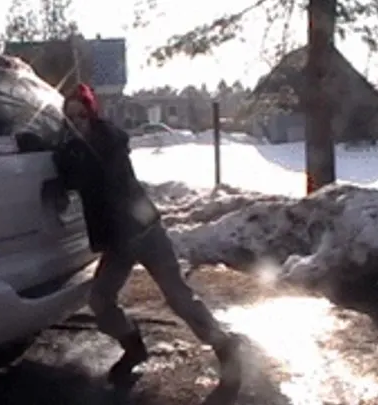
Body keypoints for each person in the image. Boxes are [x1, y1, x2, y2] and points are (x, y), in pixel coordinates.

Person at [53, 83, 243, 391]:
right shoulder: (75, 149)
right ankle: (133, 347)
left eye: (82, 116)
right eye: (71, 118)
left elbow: (101, 175)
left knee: (178, 296)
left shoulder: (108, 141)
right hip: (119, 241)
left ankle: (224, 347)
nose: (77, 123)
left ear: (92, 114)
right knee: (100, 300)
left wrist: (72, 155)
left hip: (144, 230)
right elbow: (70, 177)